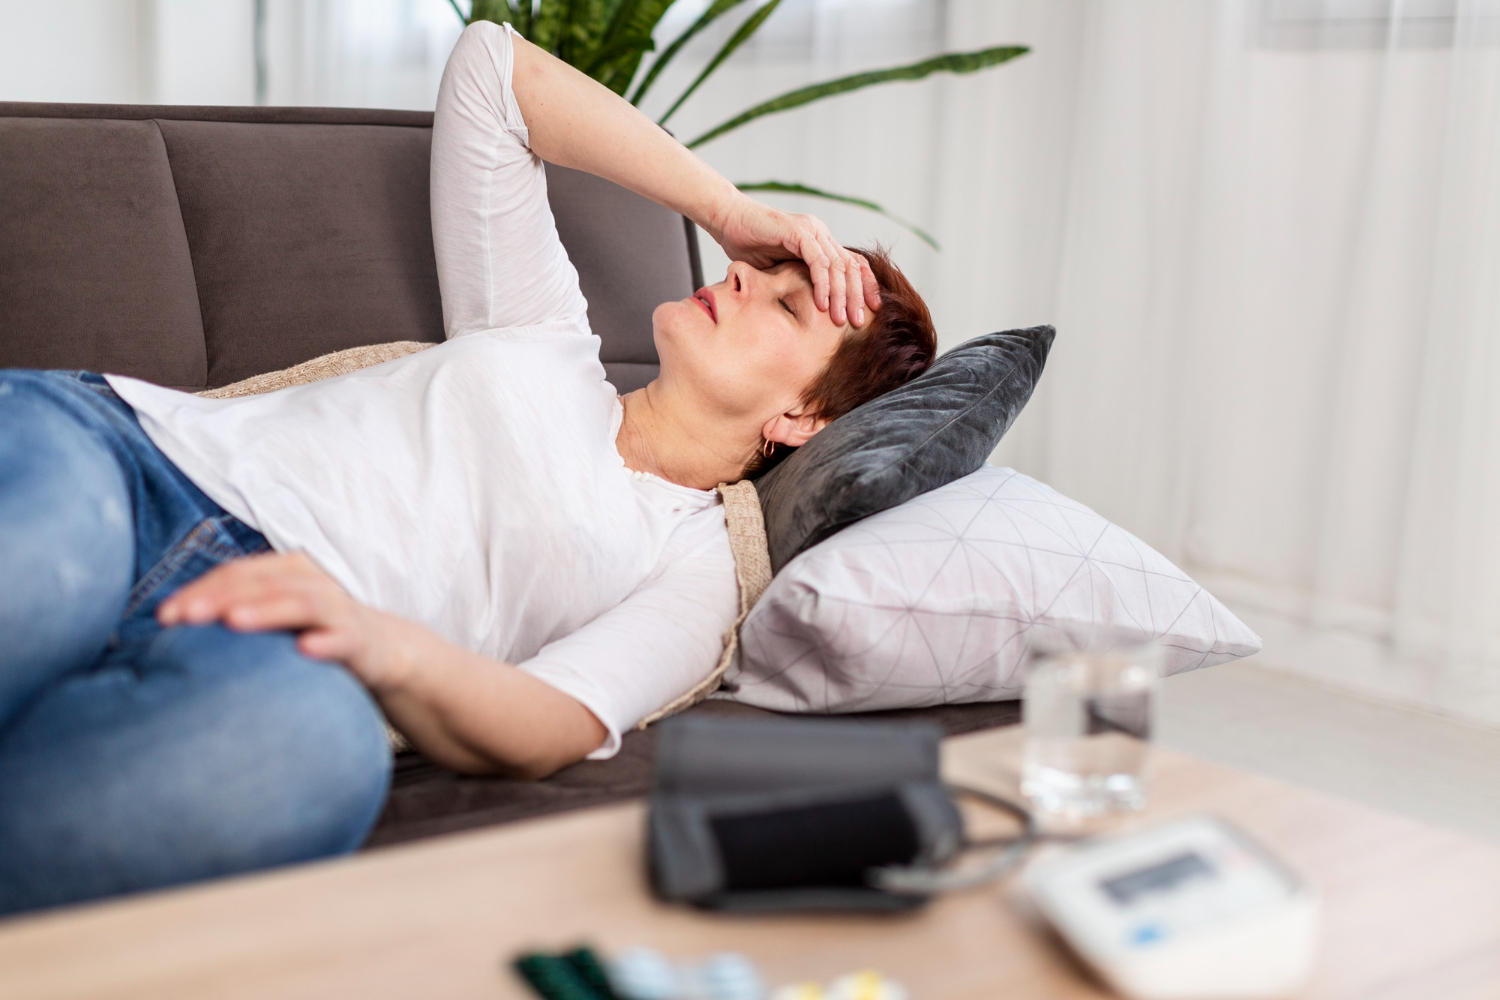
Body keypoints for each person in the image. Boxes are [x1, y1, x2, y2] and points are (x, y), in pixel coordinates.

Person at [0, 21, 937, 914]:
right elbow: (492, 67)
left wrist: (376, 640)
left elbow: (554, 716)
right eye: (764, 266)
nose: (745, 274)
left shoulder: (696, 571)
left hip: (275, 639)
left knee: (316, 755)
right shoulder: (541, 333)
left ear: (802, 418)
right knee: (41, 563)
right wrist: (727, 209)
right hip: (128, 467)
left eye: (786, 306)